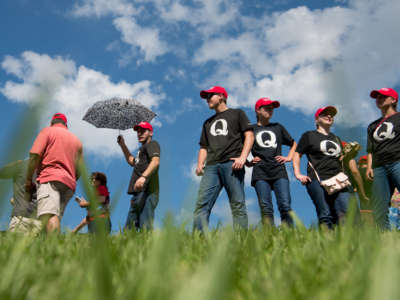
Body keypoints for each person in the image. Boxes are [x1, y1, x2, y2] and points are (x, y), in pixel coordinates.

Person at [193, 86, 254, 231]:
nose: (207, 99)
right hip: (212, 167)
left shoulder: (237, 113)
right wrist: (200, 164)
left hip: (232, 164)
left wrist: (243, 157)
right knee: (201, 205)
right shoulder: (207, 122)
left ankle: (241, 240)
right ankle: (197, 241)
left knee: (237, 203)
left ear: (221, 96)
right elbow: (203, 147)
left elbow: (249, 135)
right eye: (206, 97)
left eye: (210, 96)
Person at [293, 106, 350, 229]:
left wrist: (348, 155)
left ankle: (345, 245)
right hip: (317, 179)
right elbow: (297, 154)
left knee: (344, 214)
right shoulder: (309, 135)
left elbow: (339, 159)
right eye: (325, 114)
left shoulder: (336, 138)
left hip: (338, 179)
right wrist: (298, 174)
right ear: (317, 120)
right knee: (325, 214)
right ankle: (327, 245)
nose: (329, 116)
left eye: (331, 115)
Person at [26, 113, 83, 233]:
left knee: (49, 215)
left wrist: (28, 179)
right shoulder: (77, 141)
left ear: (52, 123)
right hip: (69, 184)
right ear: (66, 124)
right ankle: (48, 248)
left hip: (49, 179)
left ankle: (55, 250)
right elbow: (80, 169)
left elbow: (34, 156)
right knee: (54, 218)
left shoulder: (47, 131)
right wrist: (70, 178)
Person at [247, 97, 297, 226]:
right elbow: (240, 149)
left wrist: (289, 157)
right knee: (266, 208)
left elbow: (293, 143)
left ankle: (289, 236)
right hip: (260, 172)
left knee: (285, 206)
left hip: (279, 170)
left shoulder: (278, 127)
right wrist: (248, 162)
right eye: (267, 108)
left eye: (272, 108)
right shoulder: (250, 129)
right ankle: (269, 238)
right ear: (258, 110)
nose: (270, 110)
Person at [366, 87, 400, 229]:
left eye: (383, 97)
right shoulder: (372, 126)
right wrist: (369, 166)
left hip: (397, 161)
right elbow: (370, 150)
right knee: (380, 206)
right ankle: (384, 238)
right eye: (377, 97)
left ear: (393, 100)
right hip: (379, 167)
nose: (379, 99)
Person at [117, 121, 160, 230]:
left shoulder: (152, 144)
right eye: (138, 132)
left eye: (143, 131)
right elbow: (131, 161)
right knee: (131, 225)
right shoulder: (141, 151)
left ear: (151, 133)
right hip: (138, 192)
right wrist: (122, 145)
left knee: (144, 224)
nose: (139, 134)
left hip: (148, 190)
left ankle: (148, 245)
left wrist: (143, 177)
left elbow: (155, 161)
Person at [0, 159, 41, 234]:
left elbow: (2, 172)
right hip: (40, 220)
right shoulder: (48, 170)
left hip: (21, 218)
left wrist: (16, 163)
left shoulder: (22, 165)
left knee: (15, 244)